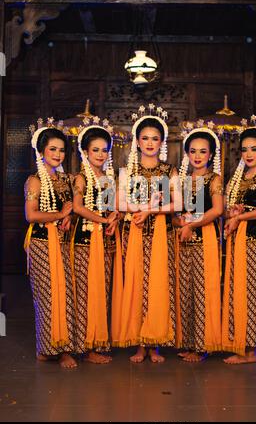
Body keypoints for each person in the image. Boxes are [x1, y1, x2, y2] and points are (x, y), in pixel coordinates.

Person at [116, 104, 180, 363]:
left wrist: (150, 212)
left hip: (162, 234)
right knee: (137, 285)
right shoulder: (127, 170)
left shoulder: (169, 170)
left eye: (155, 138)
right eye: (145, 138)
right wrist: (143, 208)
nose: (150, 143)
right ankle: (139, 343)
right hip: (135, 233)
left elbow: (180, 204)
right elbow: (118, 204)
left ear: (162, 142)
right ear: (137, 141)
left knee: (158, 285)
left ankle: (155, 343)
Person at [222, 115, 256, 364]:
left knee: (253, 292)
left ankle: (252, 350)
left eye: (254, 149)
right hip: (239, 239)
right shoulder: (240, 181)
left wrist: (241, 216)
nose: (248, 154)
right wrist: (233, 213)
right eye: (244, 149)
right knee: (238, 290)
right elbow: (230, 208)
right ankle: (243, 344)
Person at [24, 118, 77, 369]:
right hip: (42, 244)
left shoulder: (65, 180)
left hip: (64, 244)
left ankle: (59, 347)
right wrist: (60, 216)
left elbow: (69, 210)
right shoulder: (35, 180)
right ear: (42, 151)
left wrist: (68, 219)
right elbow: (31, 215)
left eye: (61, 149)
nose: (57, 154)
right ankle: (49, 349)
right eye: (52, 149)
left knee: (65, 294)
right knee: (47, 296)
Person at [72, 117, 123, 364]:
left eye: (105, 150)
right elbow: (78, 208)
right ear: (85, 151)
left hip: (105, 242)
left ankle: (97, 341)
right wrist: (103, 221)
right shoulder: (81, 178)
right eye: (95, 150)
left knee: (102, 291)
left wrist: (113, 219)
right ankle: (85, 345)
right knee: (85, 293)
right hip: (84, 241)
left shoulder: (107, 177)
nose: (101, 154)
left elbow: (111, 209)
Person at [174, 121, 223, 362]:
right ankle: (190, 343)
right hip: (182, 243)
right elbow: (174, 213)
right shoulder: (181, 180)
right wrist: (180, 223)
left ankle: (203, 346)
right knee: (186, 292)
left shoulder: (214, 179)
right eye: (193, 151)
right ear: (187, 154)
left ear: (211, 154)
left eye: (203, 151)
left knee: (204, 290)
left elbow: (217, 211)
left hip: (206, 240)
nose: (197, 156)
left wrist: (191, 224)